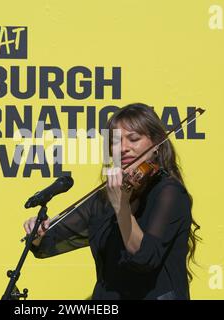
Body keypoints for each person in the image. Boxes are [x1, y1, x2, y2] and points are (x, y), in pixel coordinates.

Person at [23, 103, 201, 300]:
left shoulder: (169, 193)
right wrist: (37, 233)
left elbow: (144, 258)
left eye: (134, 139)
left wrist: (121, 206)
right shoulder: (104, 198)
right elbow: (47, 244)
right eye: (115, 142)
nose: (123, 148)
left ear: (157, 144)